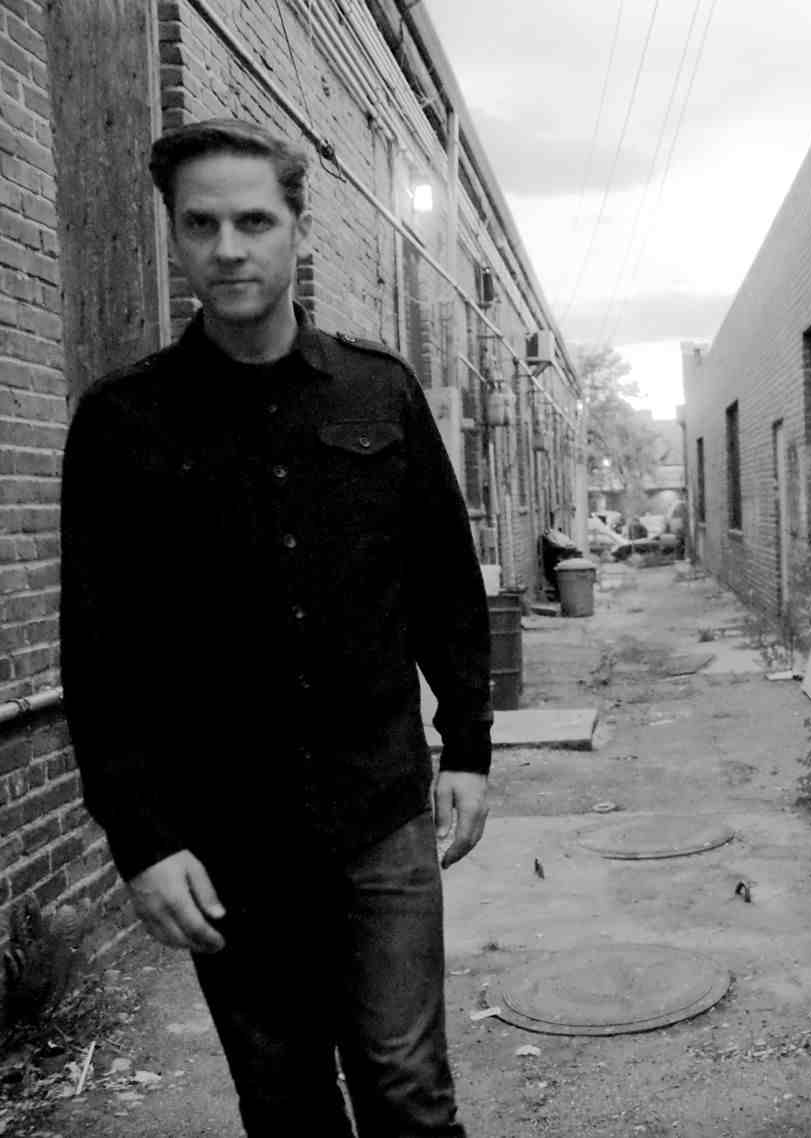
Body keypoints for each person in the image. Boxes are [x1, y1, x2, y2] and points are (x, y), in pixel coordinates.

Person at [61, 119, 491, 1137]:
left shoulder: (378, 390)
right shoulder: (123, 422)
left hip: (377, 813)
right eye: (200, 224)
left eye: (254, 221)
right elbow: (100, 652)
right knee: (285, 1101)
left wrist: (469, 746)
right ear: (174, 234)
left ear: (298, 226)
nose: (228, 248)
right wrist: (142, 840)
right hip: (227, 835)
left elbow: (443, 584)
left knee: (408, 1087)